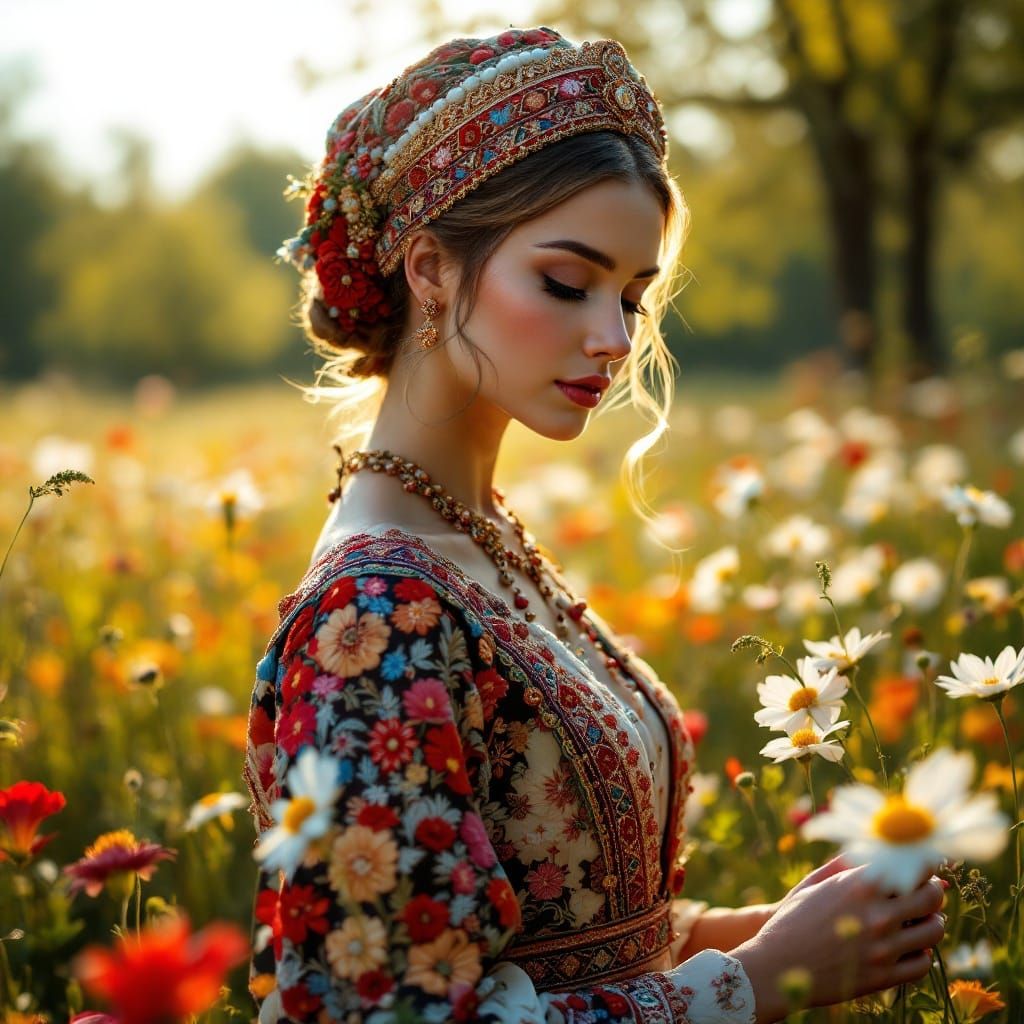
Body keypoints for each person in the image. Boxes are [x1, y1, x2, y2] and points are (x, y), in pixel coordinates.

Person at [242, 27, 945, 1023]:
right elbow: (391, 1012)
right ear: (432, 268)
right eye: (567, 284)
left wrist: (769, 932)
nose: (613, 339)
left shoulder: (474, 539)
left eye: (630, 295)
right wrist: (755, 981)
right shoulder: (378, 608)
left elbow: (570, 940)